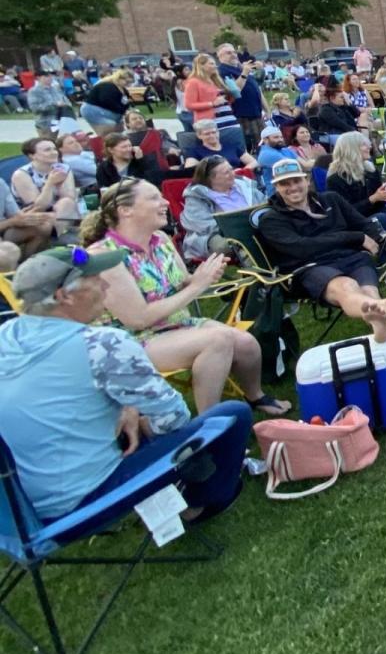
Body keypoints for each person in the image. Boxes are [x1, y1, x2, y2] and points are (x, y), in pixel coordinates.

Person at [0, 246, 253, 523]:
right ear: (64, 296)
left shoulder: (5, 337)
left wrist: (128, 407)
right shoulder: (101, 345)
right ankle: (199, 503)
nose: (105, 284)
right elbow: (174, 420)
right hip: (82, 504)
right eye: (94, 279)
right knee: (232, 415)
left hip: (16, 513)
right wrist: (143, 418)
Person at [81, 179, 288, 416]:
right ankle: (209, 421)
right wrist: (196, 286)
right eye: (153, 198)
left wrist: (202, 276)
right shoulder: (105, 256)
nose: (165, 202)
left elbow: (182, 282)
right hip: (130, 342)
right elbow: (138, 319)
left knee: (246, 343)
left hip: (176, 324)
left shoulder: (160, 239)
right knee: (217, 341)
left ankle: (256, 396)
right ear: (125, 211)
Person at [258, 159, 386, 337]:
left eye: (296, 181)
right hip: (311, 267)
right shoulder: (271, 219)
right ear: (276, 187)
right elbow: (303, 248)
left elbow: (363, 223)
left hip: (351, 257)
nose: (292, 187)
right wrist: (354, 237)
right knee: (347, 286)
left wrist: (375, 241)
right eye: (284, 183)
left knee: (368, 290)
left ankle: (381, 320)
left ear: (306, 181)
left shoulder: (330, 199)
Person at [179, 155, 262, 263]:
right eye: (226, 173)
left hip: (255, 226)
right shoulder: (196, 196)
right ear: (211, 178)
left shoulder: (244, 186)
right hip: (220, 234)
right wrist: (236, 230)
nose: (233, 174)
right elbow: (201, 223)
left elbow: (263, 203)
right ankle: (259, 270)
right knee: (228, 245)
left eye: (231, 169)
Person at [325, 131, 386, 230]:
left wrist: (383, 199)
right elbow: (346, 213)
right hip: (353, 224)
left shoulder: (370, 171)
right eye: (363, 145)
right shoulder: (335, 179)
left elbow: (379, 204)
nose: (369, 147)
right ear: (351, 150)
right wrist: (373, 198)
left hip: (375, 215)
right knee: (381, 219)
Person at [11, 137, 80, 228]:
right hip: (29, 215)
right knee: (64, 214)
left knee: (67, 202)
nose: (54, 153)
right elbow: (38, 207)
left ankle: (62, 233)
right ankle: (64, 234)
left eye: (54, 149)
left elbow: (69, 197)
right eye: (47, 150)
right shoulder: (21, 174)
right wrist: (50, 183)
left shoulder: (63, 168)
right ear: (32, 155)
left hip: (60, 210)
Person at [0, 176, 54, 262]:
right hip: (4, 228)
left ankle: (26, 265)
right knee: (6, 250)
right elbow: (12, 221)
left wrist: (26, 217)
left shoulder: (1, 183)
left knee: (42, 226)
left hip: (4, 230)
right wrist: (11, 222)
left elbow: (14, 214)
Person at [184, 118, 258, 170]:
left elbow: (254, 162)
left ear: (218, 132)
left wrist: (242, 171)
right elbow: (189, 171)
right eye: (207, 134)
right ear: (199, 136)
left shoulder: (232, 147)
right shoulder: (194, 152)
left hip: (238, 179)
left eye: (214, 132)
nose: (212, 136)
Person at [95, 132, 162, 189]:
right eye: (124, 147)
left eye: (130, 146)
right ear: (111, 150)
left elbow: (154, 181)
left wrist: (141, 160)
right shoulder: (103, 168)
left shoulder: (143, 160)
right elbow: (104, 190)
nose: (129, 149)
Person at [81, 69, 131, 135]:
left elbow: (126, 102)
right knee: (110, 126)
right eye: (127, 82)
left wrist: (126, 110)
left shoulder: (123, 90)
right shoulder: (107, 85)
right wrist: (122, 110)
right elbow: (106, 100)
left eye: (130, 82)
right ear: (119, 78)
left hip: (105, 111)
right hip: (93, 110)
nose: (128, 84)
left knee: (120, 126)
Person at [254, 125, 292, 193]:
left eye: (281, 137)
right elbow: (298, 166)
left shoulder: (285, 149)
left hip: (291, 186)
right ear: (265, 140)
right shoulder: (266, 154)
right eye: (276, 137)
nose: (280, 139)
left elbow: (304, 164)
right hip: (277, 194)